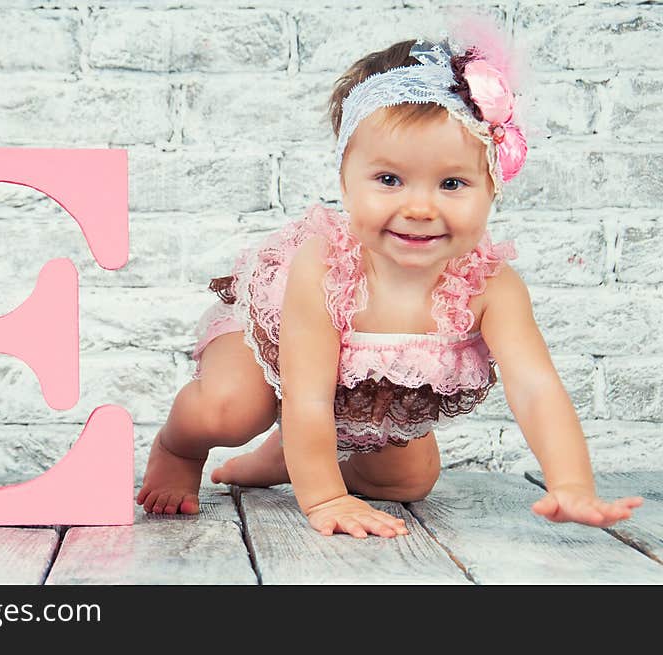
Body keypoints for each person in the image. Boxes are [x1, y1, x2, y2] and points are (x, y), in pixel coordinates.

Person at [136, 19, 644, 539]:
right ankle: (181, 448)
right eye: (389, 180)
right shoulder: (324, 265)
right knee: (233, 409)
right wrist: (327, 499)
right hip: (269, 352)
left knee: (409, 481)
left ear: (492, 187)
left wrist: (571, 482)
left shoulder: (492, 286)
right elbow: (307, 395)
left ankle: (287, 457)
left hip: (354, 395)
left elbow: (536, 387)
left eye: (452, 183)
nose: (419, 207)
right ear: (345, 181)